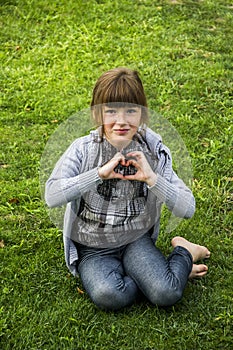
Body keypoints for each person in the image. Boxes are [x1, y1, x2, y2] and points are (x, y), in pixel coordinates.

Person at [45, 67, 210, 311]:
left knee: (166, 293)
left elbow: (188, 207)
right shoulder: (82, 149)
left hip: (135, 240)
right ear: (97, 114)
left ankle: (184, 251)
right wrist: (98, 174)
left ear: (142, 114)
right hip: (93, 247)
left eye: (130, 111)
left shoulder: (152, 151)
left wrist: (152, 178)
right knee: (108, 295)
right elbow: (52, 195)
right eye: (111, 111)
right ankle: (168, 273)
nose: (121, 121)